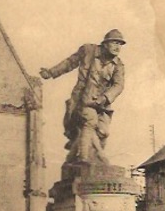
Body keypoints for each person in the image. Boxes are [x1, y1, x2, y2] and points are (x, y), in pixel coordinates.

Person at [40, 29, 126, 163]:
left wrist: (105, 98)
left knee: (103, 132)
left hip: (102, 104)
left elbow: (119, 85)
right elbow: (70, 63)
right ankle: (83, 158)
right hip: (82, 99)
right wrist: (51, 72)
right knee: (90, 120)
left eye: (120, 44)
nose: (117, 47)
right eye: (114, 43)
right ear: (105, 44)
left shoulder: (118, 65)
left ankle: (76, 156)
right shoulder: (88, 50)